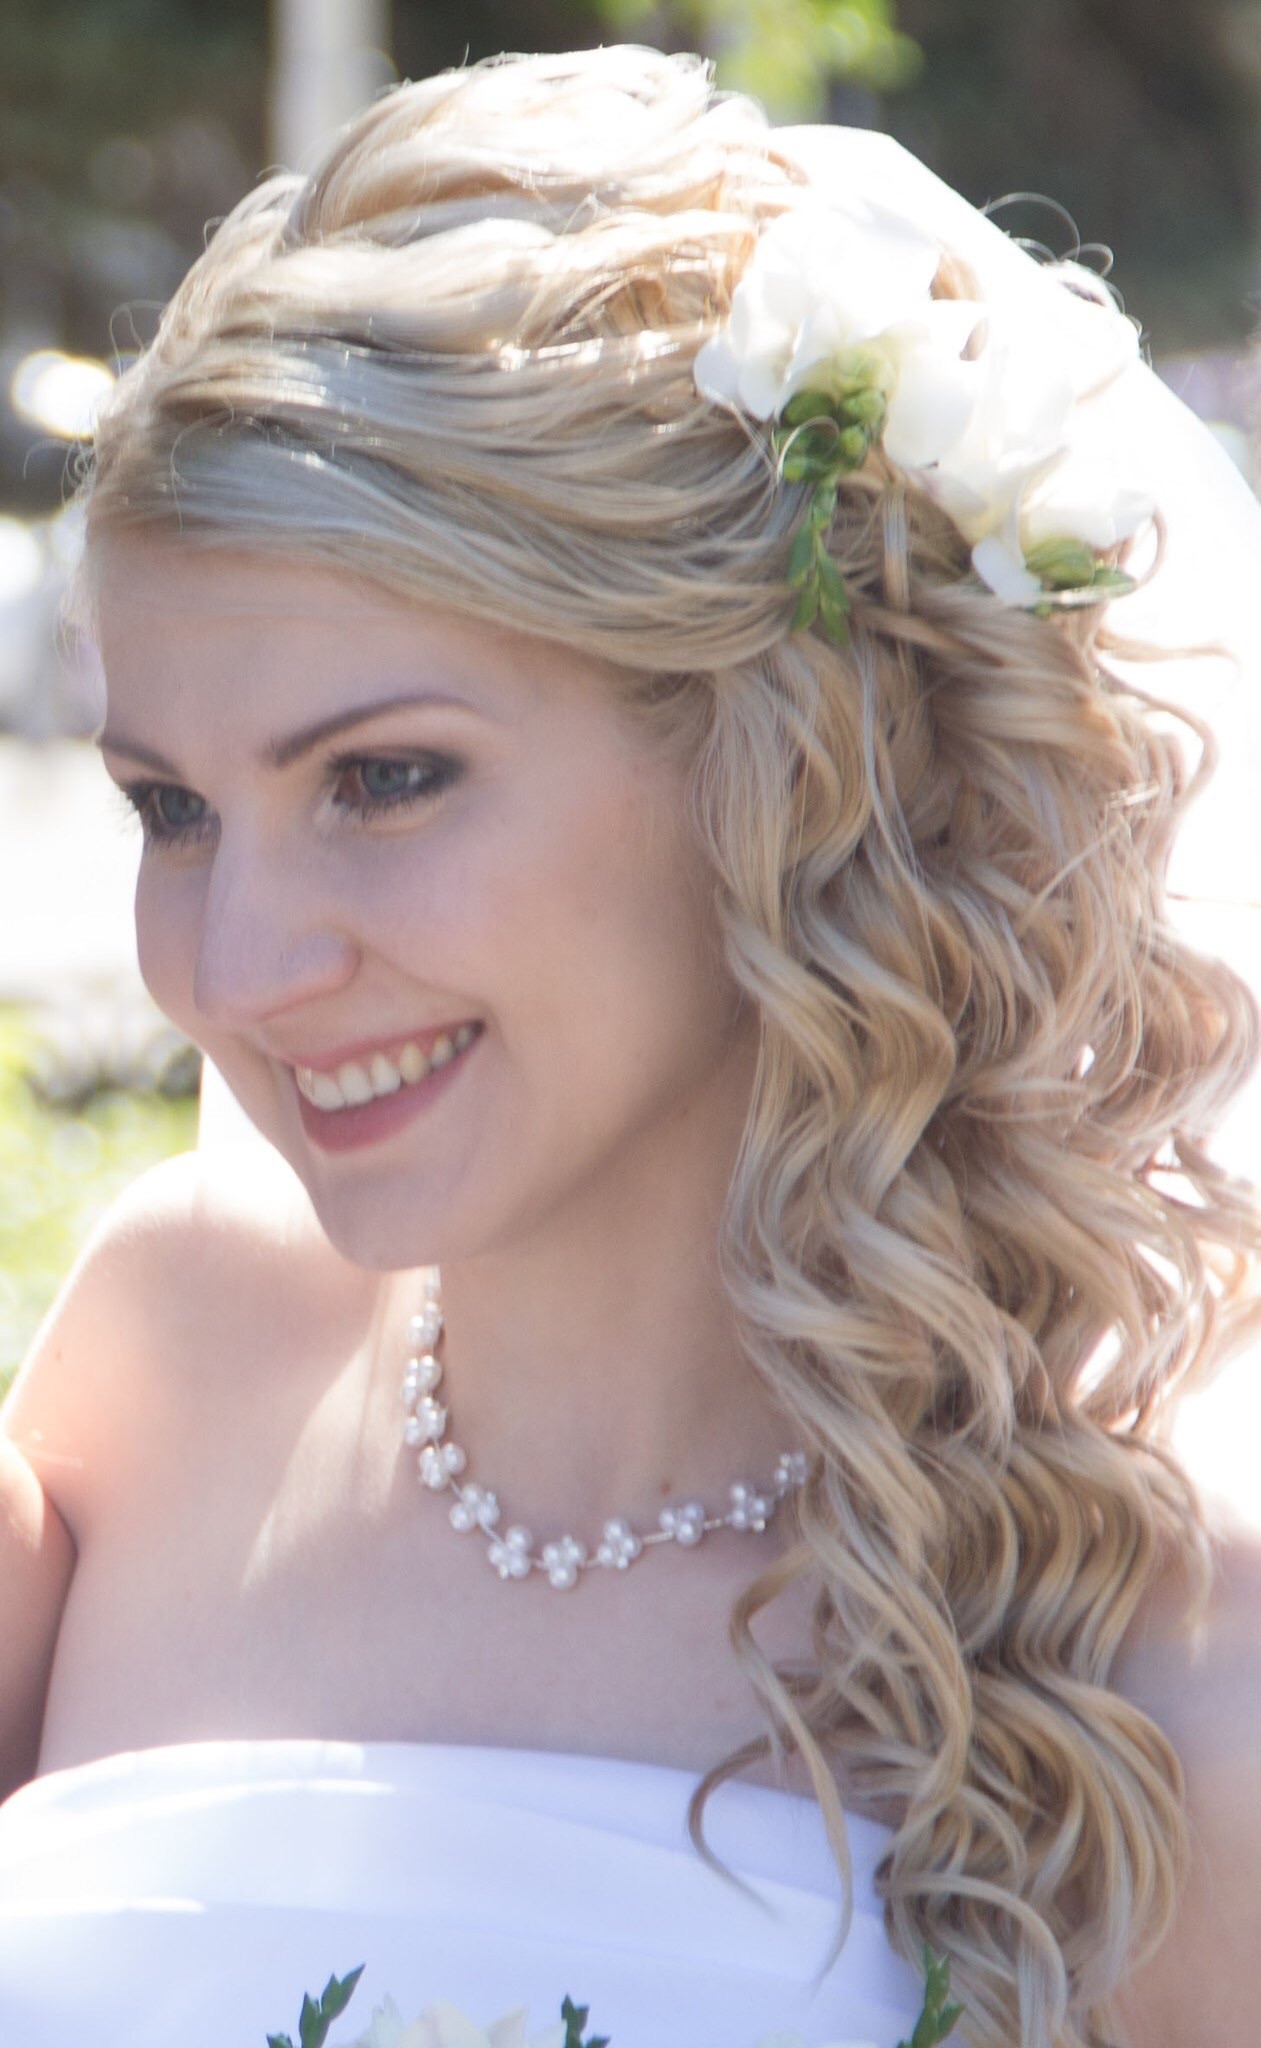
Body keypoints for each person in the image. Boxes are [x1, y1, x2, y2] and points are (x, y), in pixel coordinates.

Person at [0, 41, 1258, 2048]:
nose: (235, 966)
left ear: (777, 765)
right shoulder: (161, 1364)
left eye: (385, 778)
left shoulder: (1154, 1664)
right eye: (171, 808)